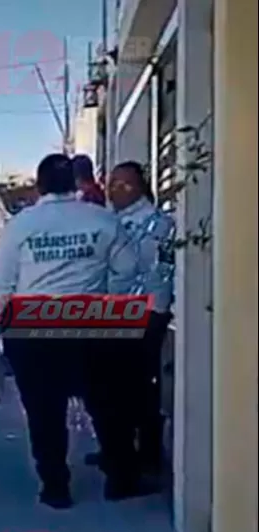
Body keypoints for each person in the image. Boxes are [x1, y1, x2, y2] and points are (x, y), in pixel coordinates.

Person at [0, 153, 155, 509]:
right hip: (91, 322)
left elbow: (1, 283)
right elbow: (127, 270)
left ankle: (55, 487)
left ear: (39, 185)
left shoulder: (22, 225)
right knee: (108, 405)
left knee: (44, 411)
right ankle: (121, 479)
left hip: (33, 326)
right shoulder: (103, 219)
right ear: (74, 184)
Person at [105, 160, 174, 475]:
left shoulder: (157, 223)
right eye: (111, 183)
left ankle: (145, 455)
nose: (114, 190)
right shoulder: (113, 221)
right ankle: (119, 449)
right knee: (117, 387)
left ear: (140, 187)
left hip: (145, 313)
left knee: (141, 387)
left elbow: (149, 269)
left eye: (123, 184)